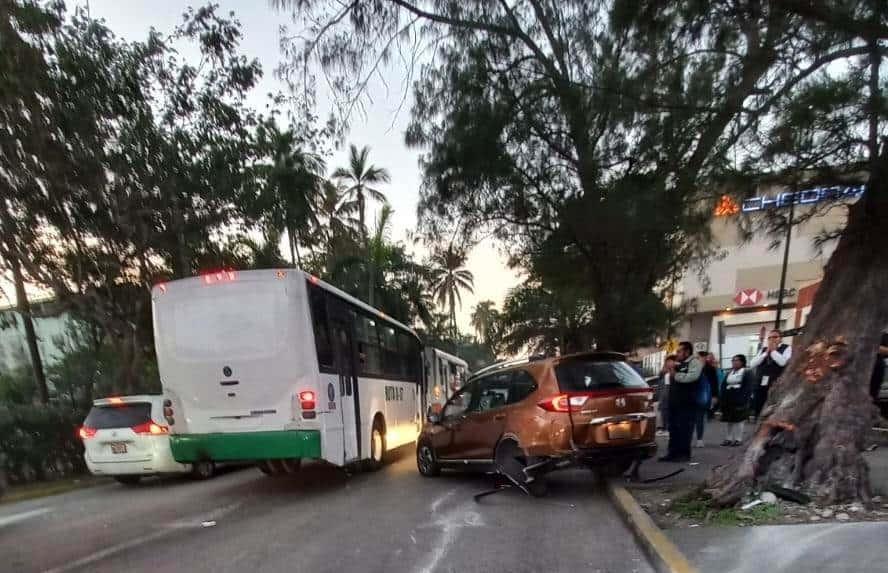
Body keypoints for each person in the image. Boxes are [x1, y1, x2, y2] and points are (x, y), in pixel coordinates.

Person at [659, 341, 701, 462]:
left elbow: (692, 377)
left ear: (687, 352)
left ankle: (683, 454)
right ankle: (672, 453)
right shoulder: (679, 363)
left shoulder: (694, 363)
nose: (677, 353)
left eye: (679, 351)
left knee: (684, 429)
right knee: (673, 429)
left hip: (687, 402)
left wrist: (675, 374)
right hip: (674, 402)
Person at [750, 329, 791, 419]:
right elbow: (752, 364)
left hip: (775, 383)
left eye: (775, 337)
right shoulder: (764, 349)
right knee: (759, 406)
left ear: (781, 338)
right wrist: (765, 354)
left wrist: (773, 351)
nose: (772, 339)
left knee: (772, 408)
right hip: (760, 382)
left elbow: (783, 362)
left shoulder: (786, 348)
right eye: (769, 337)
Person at [720, 354, 754, 446]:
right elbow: (723, 385)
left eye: (737, 360)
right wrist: (722, 397)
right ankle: (728, 438)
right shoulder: (729, 373)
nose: (734, 362)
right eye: (733, 360)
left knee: (739, 420)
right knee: (729, 420)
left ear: (742, 362)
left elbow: (748, 387)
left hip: (740, 397)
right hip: (729, 397)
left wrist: (743, 398)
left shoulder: (747, 372)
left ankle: (738, 439)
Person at [694, 351, 717, 447]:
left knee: (700, 418)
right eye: (699, 357)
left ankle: (699, 439)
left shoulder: (710, 369)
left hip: (704, 395)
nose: (701, 359)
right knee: (691, 418)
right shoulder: (693, 368)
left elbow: (714, 383)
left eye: (703, 357)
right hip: (693, 395)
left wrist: (714, 396)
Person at [657, 355, 677, 436]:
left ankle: (669, 428)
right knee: (663, 411)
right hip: (664, 392)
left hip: (672, 392)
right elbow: (660, 384)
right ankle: (664, 428)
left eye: (670, 361)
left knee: (670, 411)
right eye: (667, 361)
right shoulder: (663, 372)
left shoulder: (676, 370)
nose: (668, 363)